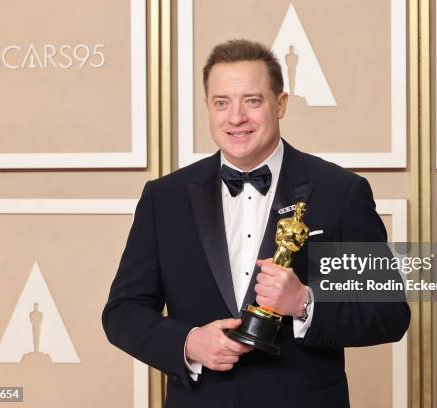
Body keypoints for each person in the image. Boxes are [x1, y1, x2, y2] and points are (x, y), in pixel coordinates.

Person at [102, 39, 410, 408]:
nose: (235, 118)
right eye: (222, 103)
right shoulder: (164, 198)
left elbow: (389, 313)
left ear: (280, 104)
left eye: (252, 100)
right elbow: (123, 311)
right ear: (207, 108)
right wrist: (188, 342)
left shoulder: (340, 192)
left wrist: (304, 303)